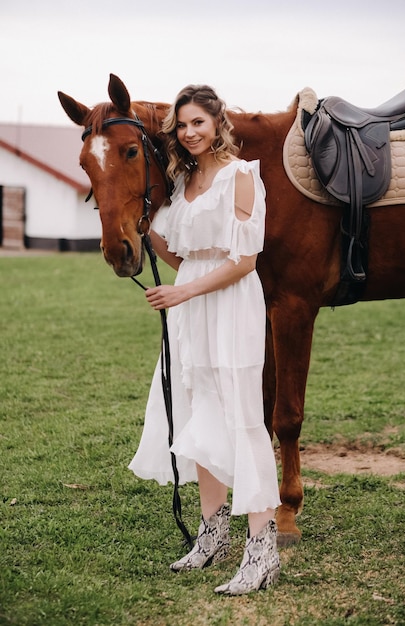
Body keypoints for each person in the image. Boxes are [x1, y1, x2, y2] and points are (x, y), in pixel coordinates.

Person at [128, 84, 281, 595]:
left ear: (217, 123)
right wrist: (147, 231)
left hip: (230, 302)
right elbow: (187, 254)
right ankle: (211, 534)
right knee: (195, 408)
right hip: (190, 303)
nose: (190, 132)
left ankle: (262, 550)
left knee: (241, 416)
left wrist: (183, 291)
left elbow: (242, 261)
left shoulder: (242, 175)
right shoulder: (182, 181)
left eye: (198, 122)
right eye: (182, 125)